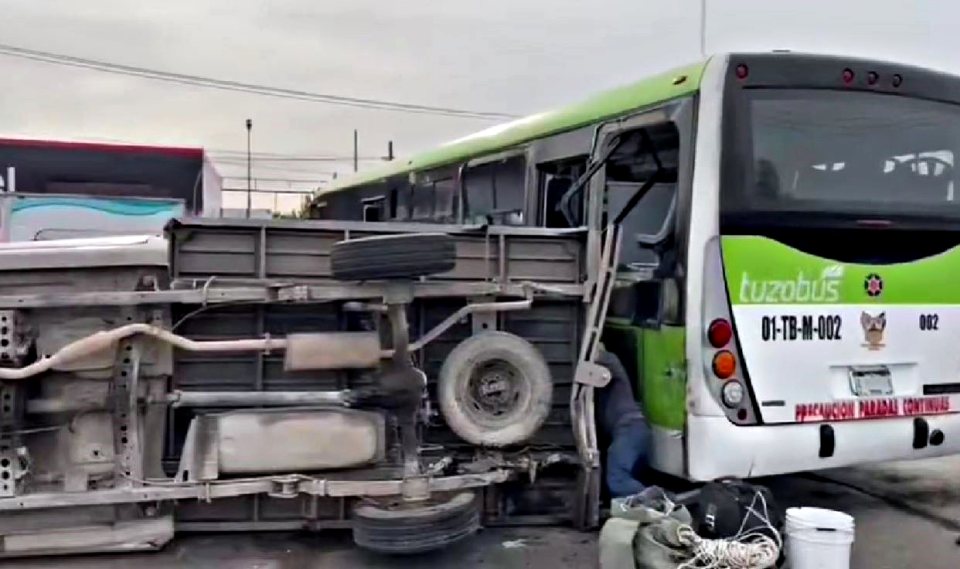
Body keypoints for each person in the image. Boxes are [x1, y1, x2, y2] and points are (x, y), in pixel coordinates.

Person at [596, 349, 650, 498]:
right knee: (621, 481)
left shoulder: (614, 371)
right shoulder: (601, 393)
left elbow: (609, 358)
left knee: (618, 480)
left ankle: (662, 503)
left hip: (630, 428)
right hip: (633, 431)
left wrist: (593, 351)